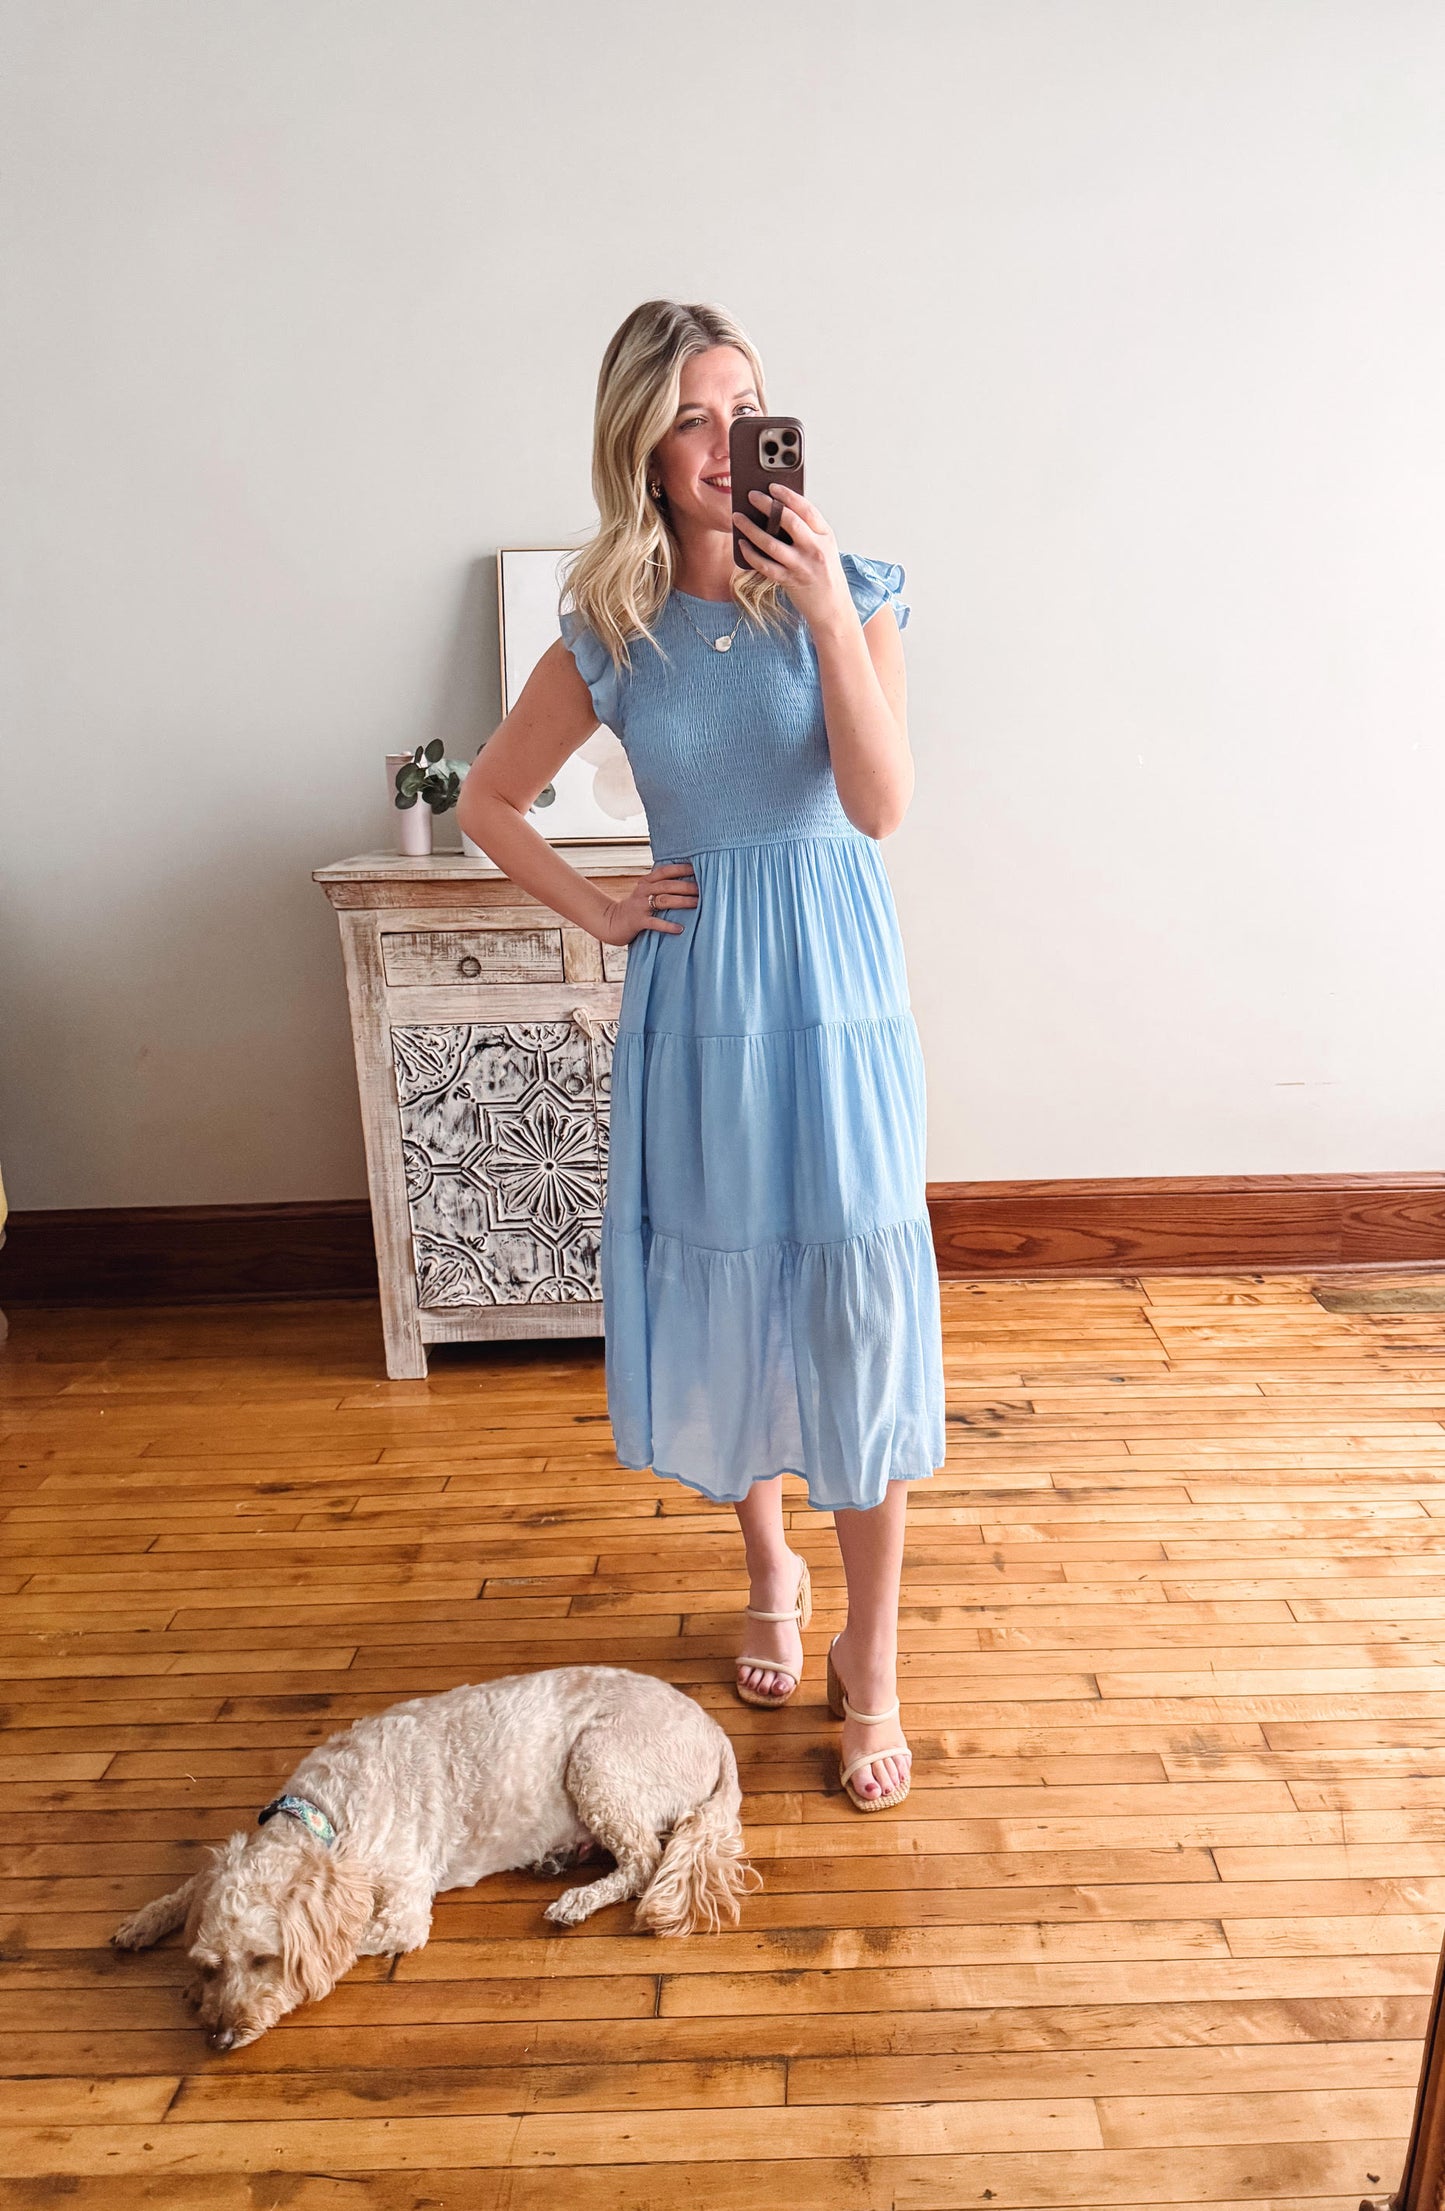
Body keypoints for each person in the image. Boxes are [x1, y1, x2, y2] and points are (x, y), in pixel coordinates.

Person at [458, 299, 945, 1810]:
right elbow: (489, 801)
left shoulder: (854, 587)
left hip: (838, 984)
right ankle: (768, 1570)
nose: (726, 441)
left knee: (856, 1301)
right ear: (644, 451)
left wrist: (814, 617)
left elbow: (877, 806)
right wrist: (602, 909)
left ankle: (872, 1655)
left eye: (744, 407)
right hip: (703, 991)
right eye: (691, 416)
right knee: (736, 1275)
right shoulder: (613, 631)